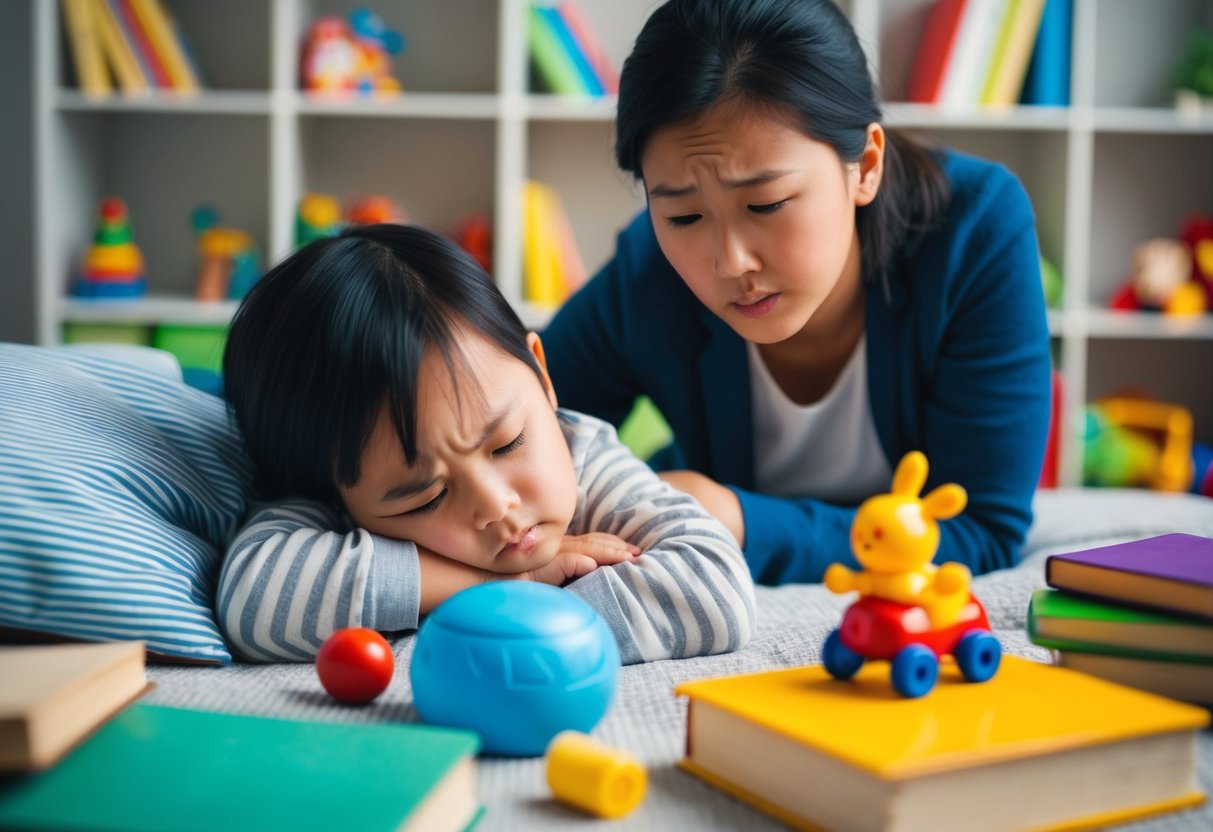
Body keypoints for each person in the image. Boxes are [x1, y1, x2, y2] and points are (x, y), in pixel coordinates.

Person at [542, 0, 1052, 584]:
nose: (730, 261)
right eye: (684, 216)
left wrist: (736, 519)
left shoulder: (973, 232)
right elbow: (524, 426)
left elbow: (984, 529)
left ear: (864, 165)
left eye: (766, 204)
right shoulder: (648, 273)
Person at [217, 223, 755, 664]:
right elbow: (253, 598)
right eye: (425, 497)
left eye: (507, 444)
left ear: (542, 378)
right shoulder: (330, 493)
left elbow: (716, 590)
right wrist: (504, 586)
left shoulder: (584, 456)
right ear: (336, 496)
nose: (498, 504)